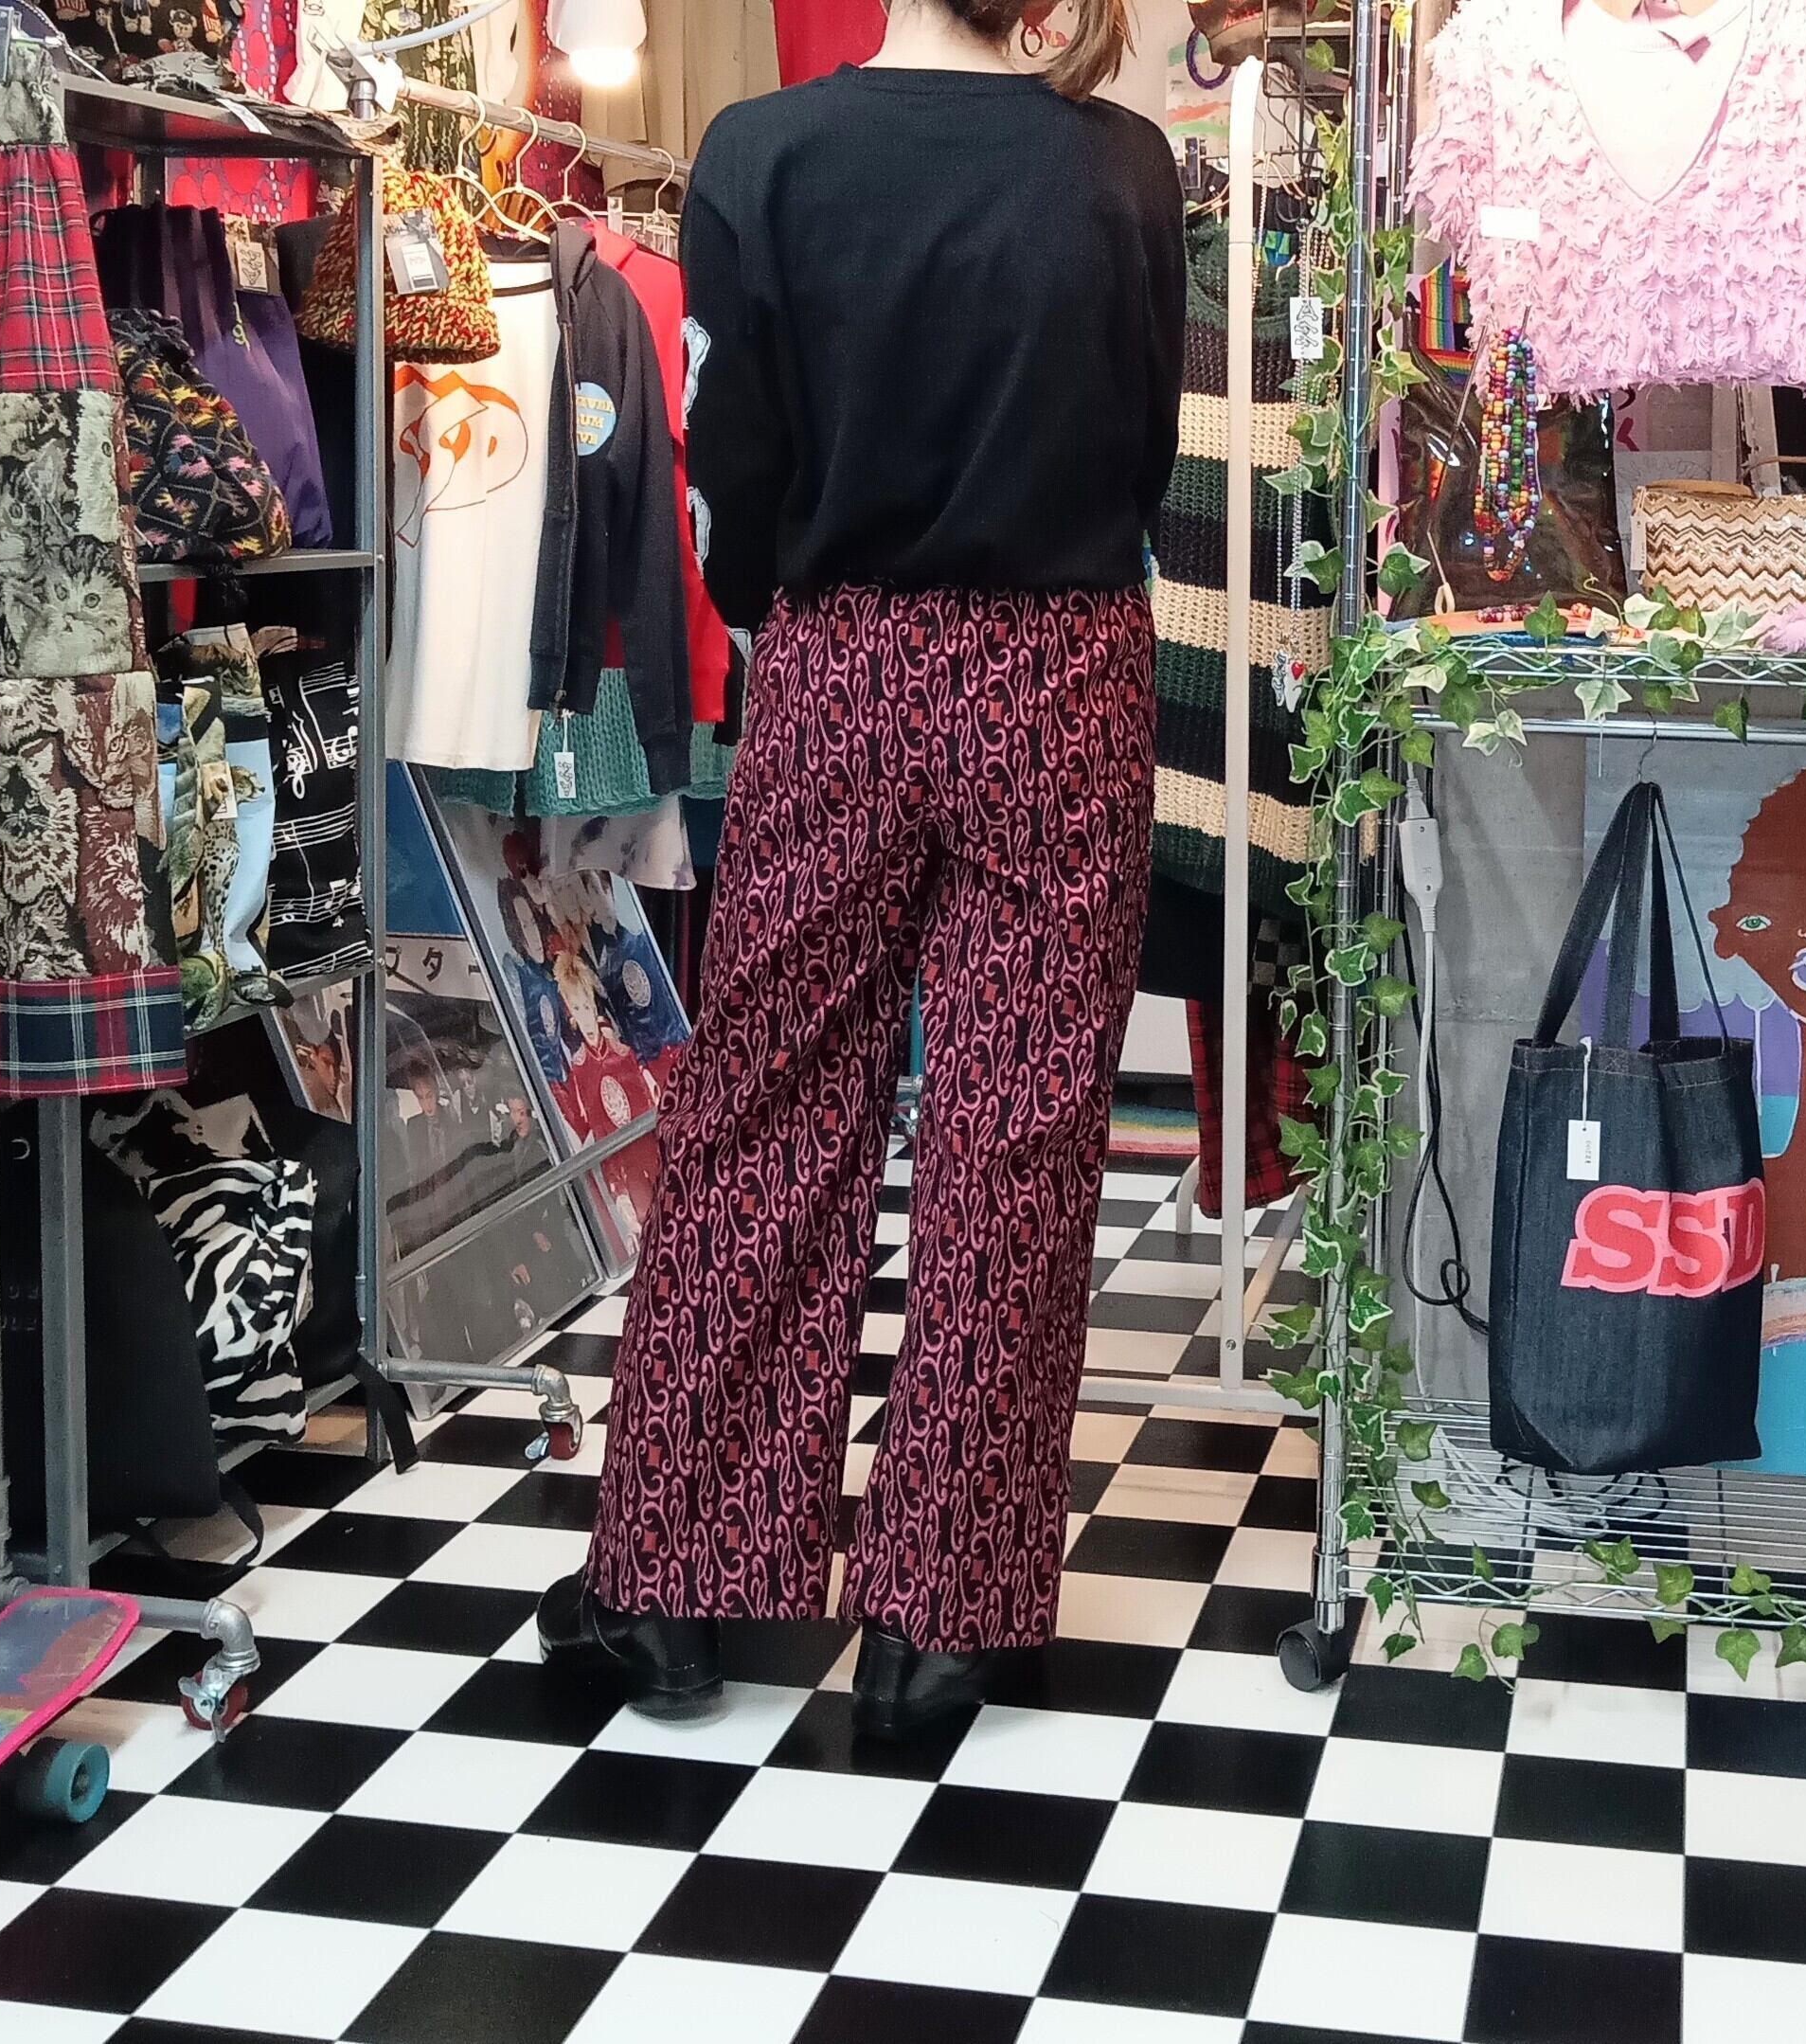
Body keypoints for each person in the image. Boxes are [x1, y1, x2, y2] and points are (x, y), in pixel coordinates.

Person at [539, 0, 1186, 1739]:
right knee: (1017, 1128)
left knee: (767, 1101)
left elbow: (731, 458)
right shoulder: (1126, 169)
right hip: (1063, 663)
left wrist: (787, 605)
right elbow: (1143, 454)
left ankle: (672, 1587)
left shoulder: (763, 154)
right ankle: (938, 1626)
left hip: (842, 657)